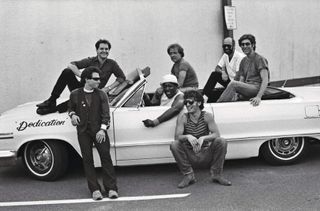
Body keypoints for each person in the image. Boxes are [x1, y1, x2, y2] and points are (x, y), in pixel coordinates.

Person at [37, 39, 126, 115]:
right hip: (81, 87)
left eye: (106, 49)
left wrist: (108, 88)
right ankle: (52, 100)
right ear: (97, 50)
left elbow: (121, 77)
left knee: (73, 103)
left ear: (109, 50)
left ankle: (55, 109)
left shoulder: (112, 64)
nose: (104, 51)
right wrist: (82, 75)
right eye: (101, 49)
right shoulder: (90, 60)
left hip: (94, 93)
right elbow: (71, 65)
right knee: (67, 72)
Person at [68, 66, 118, 200]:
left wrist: (102, 129)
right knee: (87, 159)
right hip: (83, 131)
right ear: (87, 79)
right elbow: (70, 108)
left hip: (99, 131)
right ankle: (95, 189)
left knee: (105, 157)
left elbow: (106, 114)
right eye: (96, 79)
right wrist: (72, 115)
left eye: (99, 79)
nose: (99, 81)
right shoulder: (75, 94)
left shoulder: (101, 94)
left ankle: (111, 188)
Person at [170, 90, 231, 188]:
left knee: (221, 141)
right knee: (174, 144)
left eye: (190, 102)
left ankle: (216, 174)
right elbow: (177, 137)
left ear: (199, 103)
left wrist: (203, 138)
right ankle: (189, 175)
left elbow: (216, 134)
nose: (187, 105)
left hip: (205, 153)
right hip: (190, 155)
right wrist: (187, 136)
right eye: (185, 103)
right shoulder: (183, 117)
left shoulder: (207, 116)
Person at [217, 34, 270, 106]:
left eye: (247, 44)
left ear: (253, 45)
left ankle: (218, 105)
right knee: (233, 84)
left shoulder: (260, 59)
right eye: (242, 44)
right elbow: (241, 79)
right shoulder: (244, 60)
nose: (245, 46)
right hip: (248, 87)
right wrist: (238, 93)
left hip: (257, 87)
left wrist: (258, 97)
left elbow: (265, 79)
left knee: (233, 84)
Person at [203, 37, 245, 102]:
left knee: (218, 96)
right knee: (215, 74)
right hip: (230, 81)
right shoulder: (225, 55)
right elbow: (217, 68)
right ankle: (204, 97)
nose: (226, 48)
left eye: (228, 46)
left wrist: (231, 89)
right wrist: (223, 72)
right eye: (224, 46)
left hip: (237, 84)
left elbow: (238, 76)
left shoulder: (239, 57)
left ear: (233, 46)